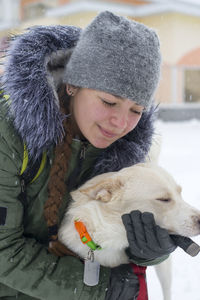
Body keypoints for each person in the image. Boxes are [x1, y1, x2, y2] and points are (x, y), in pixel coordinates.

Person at [0, 11, 177, 300]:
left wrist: (147, 251)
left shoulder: (127, 151)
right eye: (109, 102)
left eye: (136, 110)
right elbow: (3, 252)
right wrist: (97, 288)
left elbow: (116, 236)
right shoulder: (8, 131)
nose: (120, 123)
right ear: (74, 85)